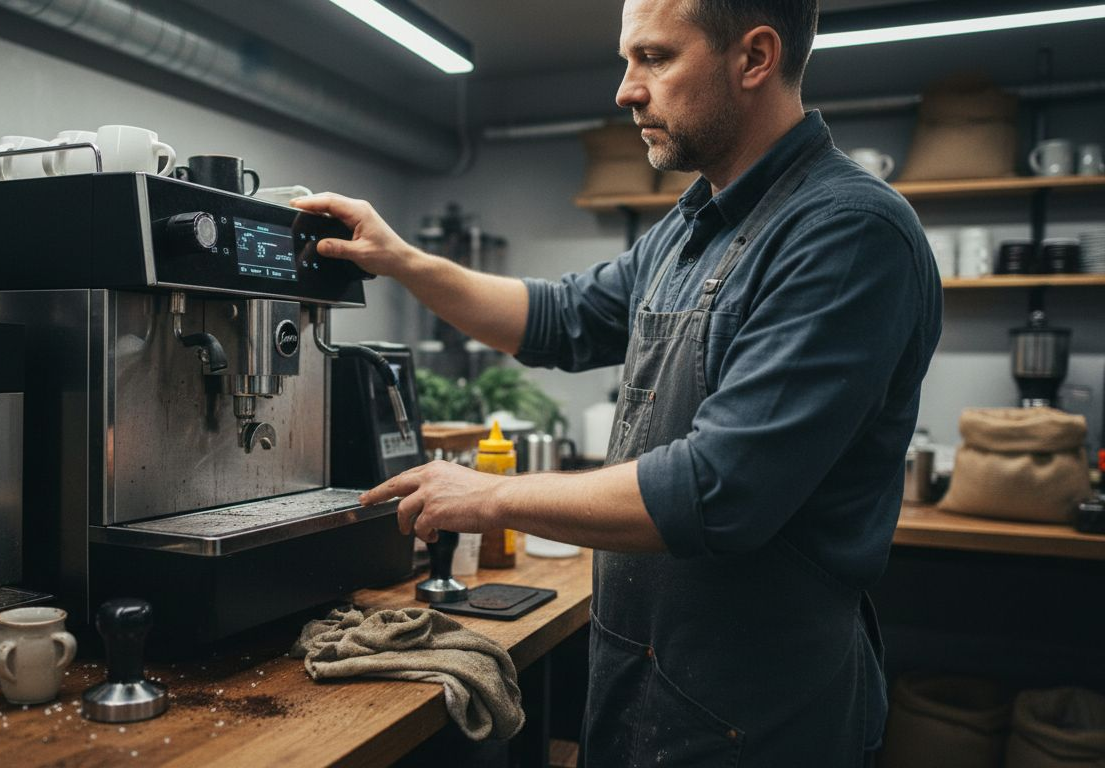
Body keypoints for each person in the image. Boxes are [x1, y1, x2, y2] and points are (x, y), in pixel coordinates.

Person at [293, 0, 942, 763]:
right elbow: (557, 318)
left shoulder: (846, 231)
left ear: (755, 58)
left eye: (656, 57)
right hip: (645, 683)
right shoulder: (689, 227)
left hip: (763, 709)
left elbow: (718, 488)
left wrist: (489, 495)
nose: (626, 89)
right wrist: (401, 258)